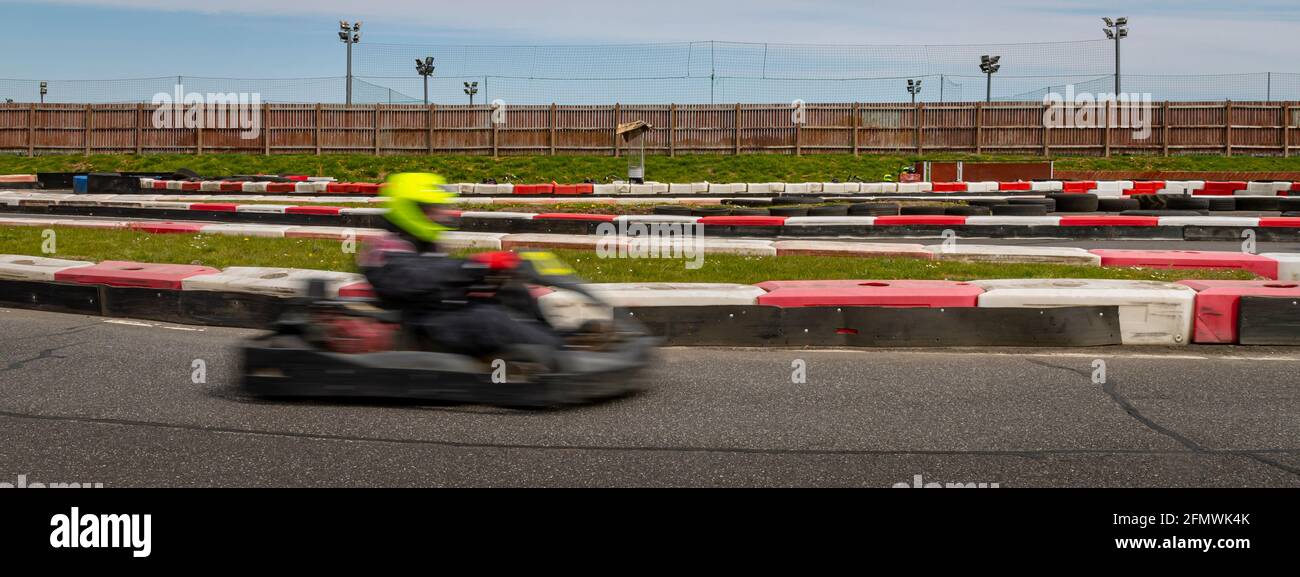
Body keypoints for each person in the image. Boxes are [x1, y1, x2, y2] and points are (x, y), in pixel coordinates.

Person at [358, 173, 562, 361]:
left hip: (443, 310)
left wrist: (494, 272)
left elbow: (440, 273)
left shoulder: (422, 243)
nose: (440, 215)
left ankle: (558, 341)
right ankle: (556, 355)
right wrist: (475, 265)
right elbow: (418, 277)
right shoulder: (384, 249)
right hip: (420, 326)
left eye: (439, 209)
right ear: (412, 209)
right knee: (488, 319)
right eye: (432, 210)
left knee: (510, 291)